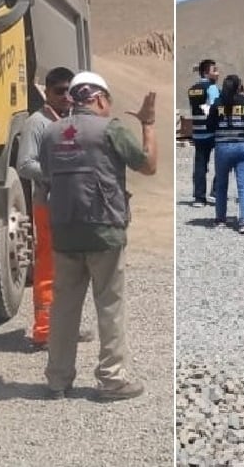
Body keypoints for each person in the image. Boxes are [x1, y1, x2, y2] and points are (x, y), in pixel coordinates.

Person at [37, 71, 157, 400]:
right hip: (104, 231)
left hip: (64, 232)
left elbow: (48, 176)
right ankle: (112, 380)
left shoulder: (50, 133)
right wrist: (148, 124)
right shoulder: (111, 129)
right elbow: (147, 165)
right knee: (110, 306)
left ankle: (57, 380)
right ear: (100, 99)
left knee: (64, 308)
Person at [15, 66, 94, 352]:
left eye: (69, 91)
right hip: (48, 204)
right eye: (59, 91)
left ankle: (66, 328)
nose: (65, 97)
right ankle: (44, 331)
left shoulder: (75, 120)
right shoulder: (37, 123)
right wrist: (58, 173)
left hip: (75, 204)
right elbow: (24, 165)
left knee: (74, 269)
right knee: (48, 266)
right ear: (46, 92)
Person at [205, 74, 244, 234]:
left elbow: (210, 126)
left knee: (221, 185)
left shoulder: (217, 104)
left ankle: (220, 219)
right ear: (238, 87)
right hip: (243, 147)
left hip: (223, 147)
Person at [186, 59, 221, 208]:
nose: (217, 73)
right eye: (214, 70)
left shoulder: (192, 89)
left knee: (200, 165)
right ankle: (215, 193)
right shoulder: (212, 88)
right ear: (206, 72)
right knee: (221, 163)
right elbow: (215, 108)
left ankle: (199, 198)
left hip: (198, 132)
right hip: (212, 131)